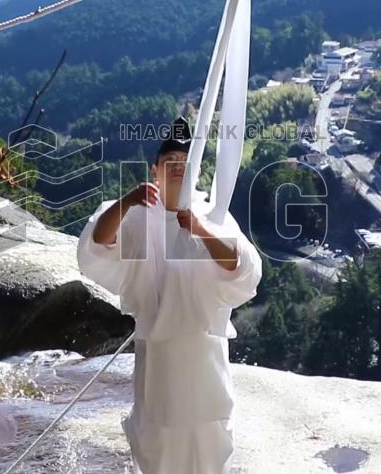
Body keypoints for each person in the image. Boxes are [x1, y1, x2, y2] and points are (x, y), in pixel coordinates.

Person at [76, 117, 263, 473]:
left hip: (203, 356)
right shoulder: (136, 218)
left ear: (197, 170)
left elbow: (242, 266)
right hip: (158, 355)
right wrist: (129, 200)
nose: (178, 169)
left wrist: (199, 228)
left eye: (184, 163)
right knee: (158, 444)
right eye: (170, 163)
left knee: (207, 444)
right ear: (155, 170)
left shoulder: (213, 215)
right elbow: (97, 243)